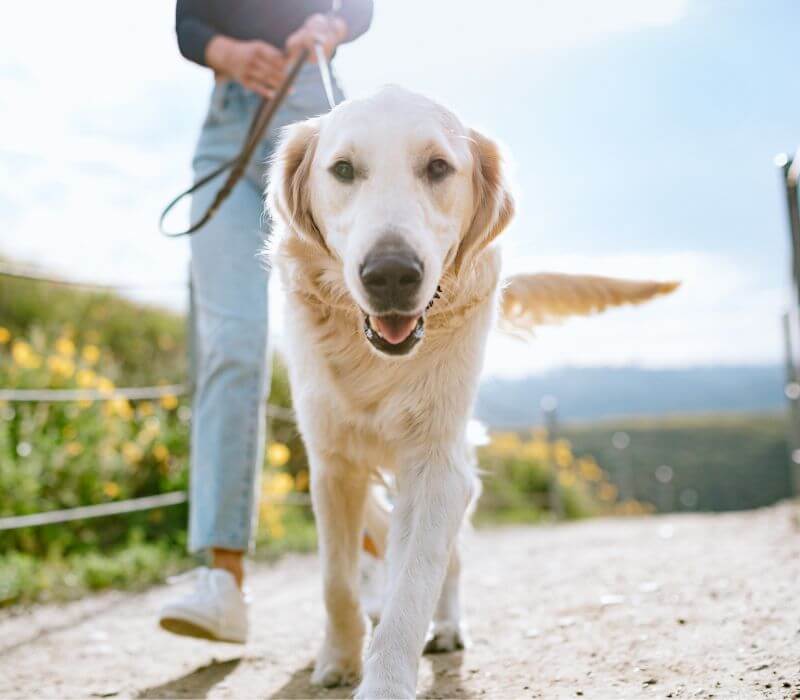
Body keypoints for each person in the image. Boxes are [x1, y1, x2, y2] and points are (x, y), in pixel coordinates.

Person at [159, 0, 374, 644]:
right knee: (232, 341)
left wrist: (329, 31)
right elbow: (189, 23)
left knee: (345, 335)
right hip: (227, 129)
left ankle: (377, 538)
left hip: (314, 109)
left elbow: (359, 7)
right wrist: (226, 53)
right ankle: (223, 580)